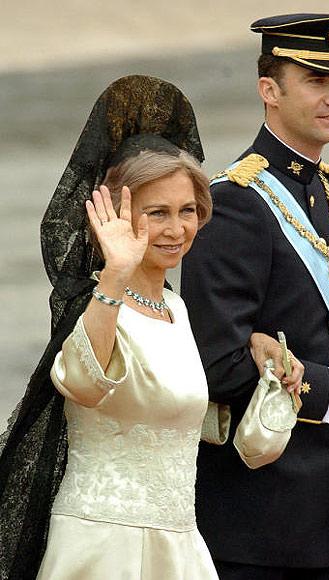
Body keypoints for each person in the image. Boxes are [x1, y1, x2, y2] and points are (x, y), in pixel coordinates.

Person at [181, 13, 329, 580]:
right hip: (258, 520)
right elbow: (219, 364)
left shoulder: (327, 188)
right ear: (269, 90)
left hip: (328, 509)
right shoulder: (237, 203)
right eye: (317, 81)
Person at [0, 75, 220, 580]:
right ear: (114, 217)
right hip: (104, 545)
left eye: (187, 211)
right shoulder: (96, 301)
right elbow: (81, 382)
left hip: (179, 543)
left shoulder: (174, 308)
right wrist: (116, 275)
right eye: (156, 213)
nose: (175, 229)